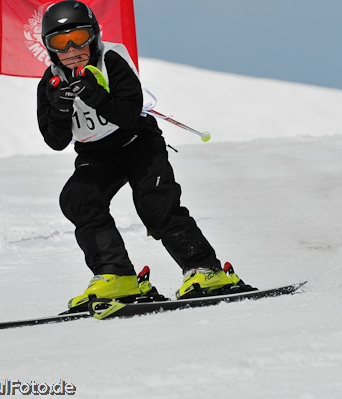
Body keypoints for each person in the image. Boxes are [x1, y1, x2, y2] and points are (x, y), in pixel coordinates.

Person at [36, 0, 243, 310]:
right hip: (96, 152)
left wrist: (96, 96)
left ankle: (206, 269)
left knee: (155, 202)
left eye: (78, 38)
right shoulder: (50, 84)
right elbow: (56, 141)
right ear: (50, 48)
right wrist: (61, 108)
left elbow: (131, 115)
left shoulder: (113, 59)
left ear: (93, 37)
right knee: (77, 198)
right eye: (60, 43)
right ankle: (116, 276)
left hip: (137, 142)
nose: (71, 49)